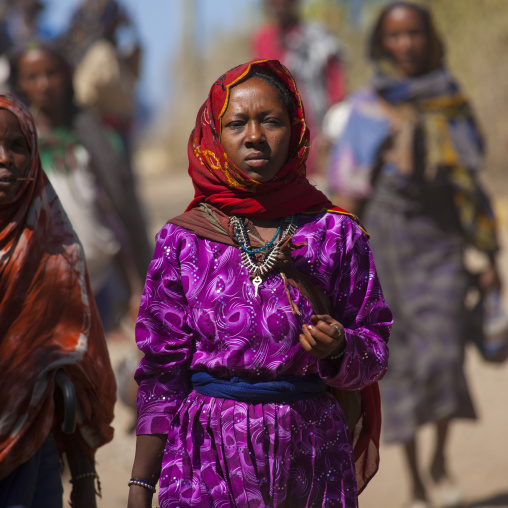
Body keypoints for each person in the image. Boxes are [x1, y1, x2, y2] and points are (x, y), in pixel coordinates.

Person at [127, 59, 392, 508]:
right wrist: (140, 486)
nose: (254, 136)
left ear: (295, 129)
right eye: (237, 123)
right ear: (215, 135)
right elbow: (161, 370)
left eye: (270, 121)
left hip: (311, 455)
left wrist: (340, 348)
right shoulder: (183, 239)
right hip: (204, 457)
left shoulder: (335, 232)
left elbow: (377, 348)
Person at [326, 3, 500, 507]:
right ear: (383, 43)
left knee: (445, 351)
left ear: (430, 39)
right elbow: (349, 191)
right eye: (395, 36)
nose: (405, 44)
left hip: (442, 243)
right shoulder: (366, 107)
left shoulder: (452, 101)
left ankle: (440, 455)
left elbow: (470, 187)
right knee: (395, 362)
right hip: (387, 246)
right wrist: (337, 261)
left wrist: (486, 255)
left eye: (414, 34)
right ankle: (416, 481)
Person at [0, 93, 115, 507]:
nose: (5, 159)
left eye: (18, 147)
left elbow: (75, 375)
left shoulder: (55, 250)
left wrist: (83, 473)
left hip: (34, 449)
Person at [9, 42, 152, 332]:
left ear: (67, 75)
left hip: (105, 277)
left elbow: (123, 212)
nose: (44, 84)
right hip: (47, 285)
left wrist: (140, 284)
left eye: (52, 73)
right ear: (20, 83)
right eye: (33, 77)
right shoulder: (17, 146)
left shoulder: (94, 135)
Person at [252, 0, 346, 176]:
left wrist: (332, 130)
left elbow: (336, 89)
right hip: (276, 130)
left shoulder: (318, 37)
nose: (278, 4)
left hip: (316, 130)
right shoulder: (262, 40)